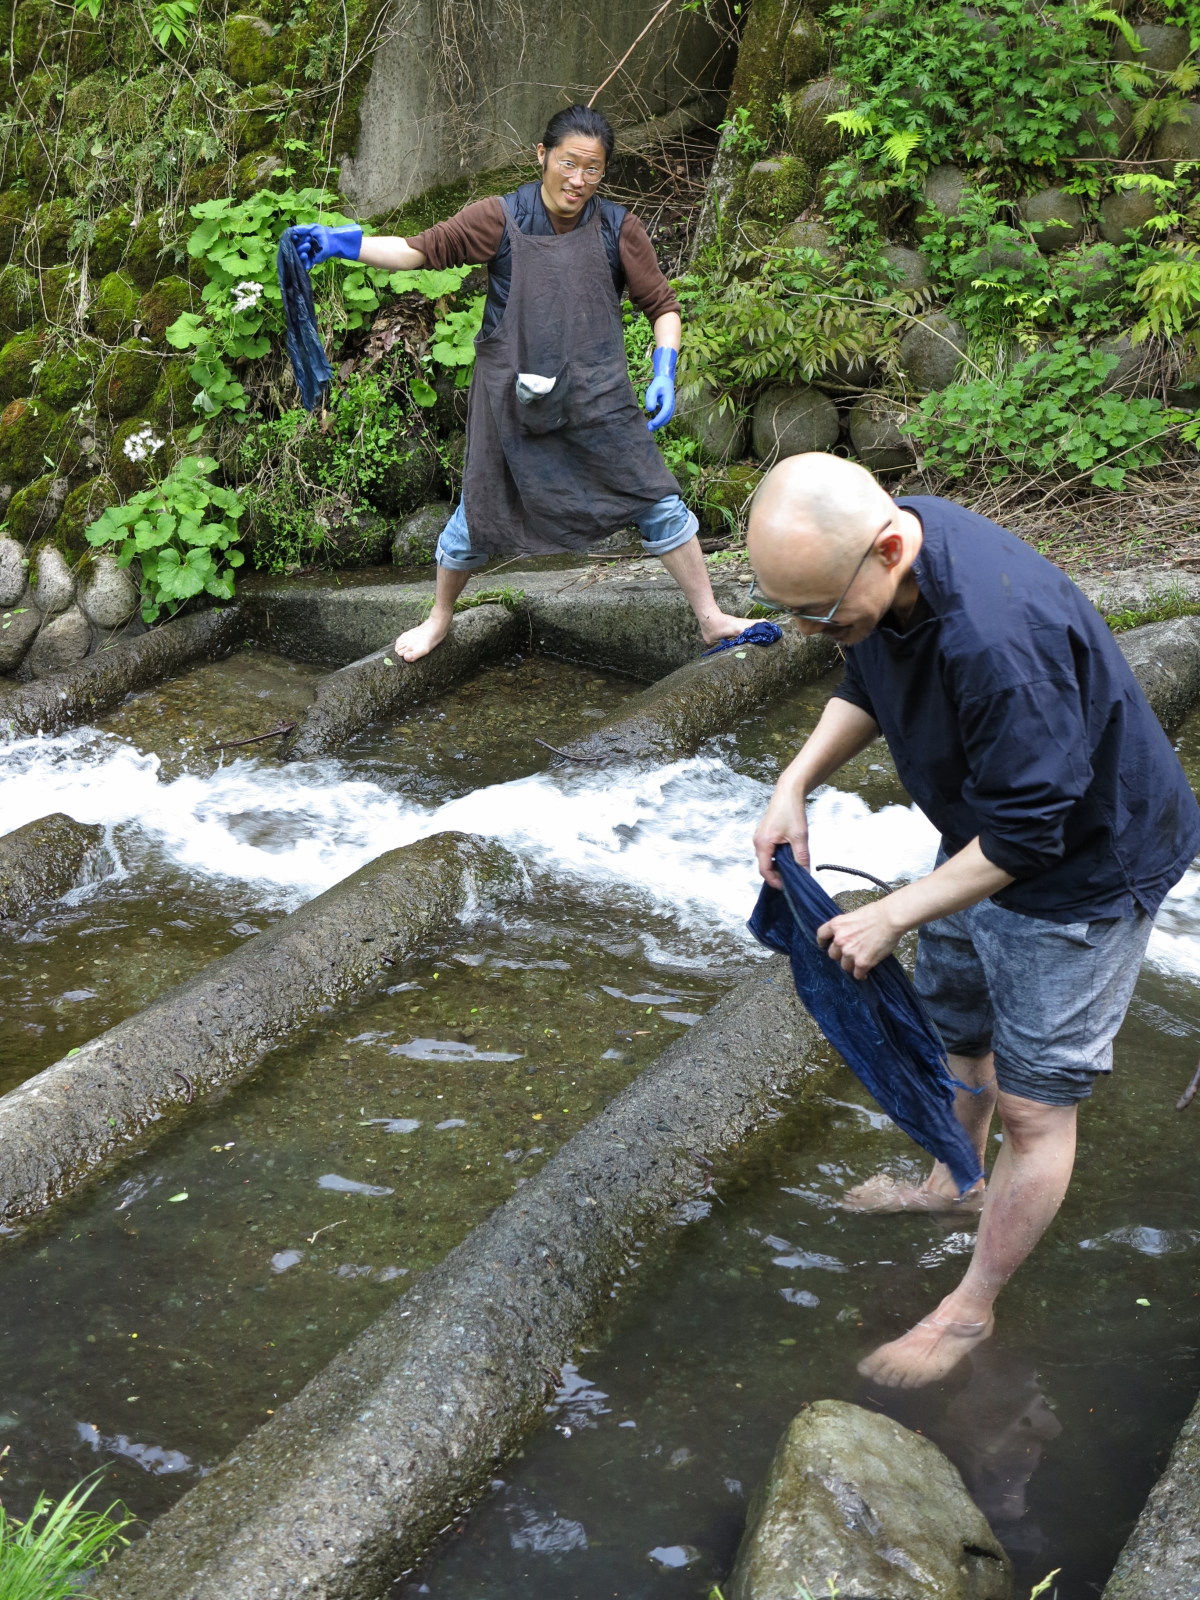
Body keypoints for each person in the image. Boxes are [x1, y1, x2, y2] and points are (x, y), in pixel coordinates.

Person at [747, 453, 1200, 1389]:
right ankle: (955, 1182)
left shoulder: (1001, 638)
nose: (813, 631)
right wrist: (794, 783)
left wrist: (892, 918)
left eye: (821, 613)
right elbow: (867, 675)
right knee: (962, 1030)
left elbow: (1032, 836)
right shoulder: (887, 563)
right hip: (977, 839)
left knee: (1038, 1106)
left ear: (888, 547)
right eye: (794, 613)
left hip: (1083, 870)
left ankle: (971, 1308)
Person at [288, 104, 752, 662]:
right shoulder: (501, 218)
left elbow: (662, 306)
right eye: (569, 163)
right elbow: (417, 250)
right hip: (513, 399)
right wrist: (344, 243)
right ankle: (438, 618)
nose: (579, 180)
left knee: (657, 500)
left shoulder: (617, 228)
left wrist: (664, 369)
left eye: (594, 169)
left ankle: (711, 619)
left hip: (596, 396)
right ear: (542, 156)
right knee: (476, 513)